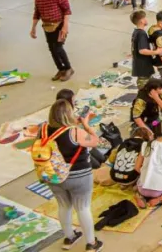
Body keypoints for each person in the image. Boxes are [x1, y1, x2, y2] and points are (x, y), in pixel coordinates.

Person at [43, 99, 104, 251]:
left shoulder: (43, 130)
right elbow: (96, 142)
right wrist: (86, 125)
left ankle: (69, 237)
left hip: (53, 175)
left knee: (64, 205)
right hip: (78, 175)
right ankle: (91, 243)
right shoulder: (75, 132)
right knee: (83, 208)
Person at [31, 0, 74, 81]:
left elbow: (67, 11)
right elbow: (37, 13)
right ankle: (61, 69)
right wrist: (33, 28)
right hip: (47, 26)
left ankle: (68, 68)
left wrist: (65, 26)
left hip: (59, 25)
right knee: (52, 49)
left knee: (58, 47)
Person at [134, 120, 162, 208]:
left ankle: (140, 196)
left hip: (143, 189)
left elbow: (136, 167)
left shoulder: (145, 145)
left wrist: (146, 174)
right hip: (161, 190)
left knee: (140, 181)